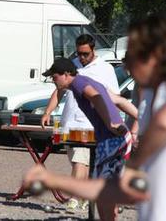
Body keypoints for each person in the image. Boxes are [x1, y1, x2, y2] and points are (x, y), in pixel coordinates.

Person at [25, 15, 166, 221]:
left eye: (132, 57)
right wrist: (53, 181)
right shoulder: (155, 92)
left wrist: (133, 159)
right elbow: (116, 191)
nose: (126, 65)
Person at [41, 34, 137, 211]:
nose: (82, 57)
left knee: (99, 182)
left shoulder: (82, 81)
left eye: (55, 77)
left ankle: (79, 198)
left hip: (106, 135)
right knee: (95, 177)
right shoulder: (79, 75)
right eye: (79, 54)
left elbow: (100, 98)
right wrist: (138, 120)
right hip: (94, 131)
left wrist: (110, 124)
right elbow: (118, 101)